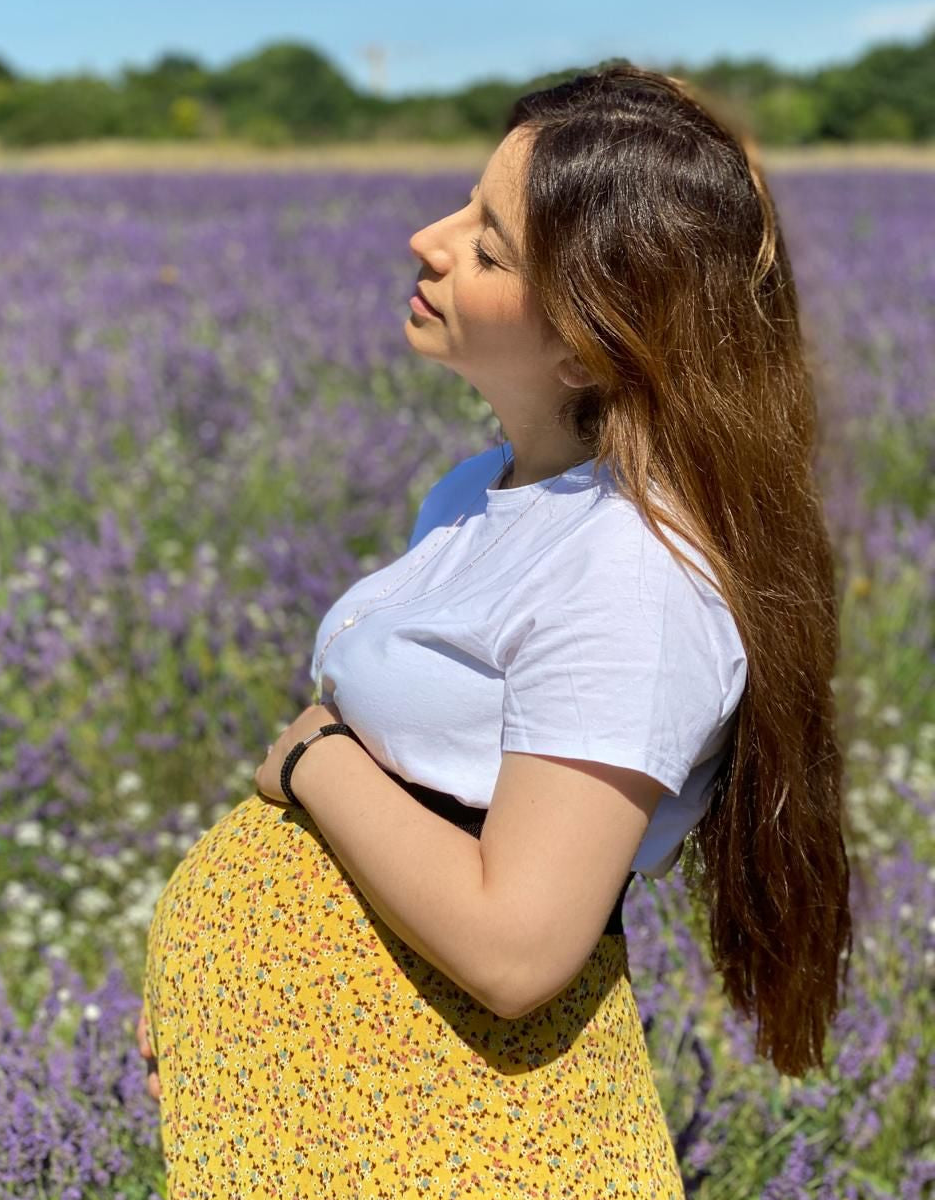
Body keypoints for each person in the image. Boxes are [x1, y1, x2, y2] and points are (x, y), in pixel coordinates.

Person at [137, 63, 853, 1197]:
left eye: (488, 247)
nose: (427, 241)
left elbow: (518, 946)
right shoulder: (481, 490)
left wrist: (314, 760)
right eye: (465, 209)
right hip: (343, 1103)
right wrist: (213, 987)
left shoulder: (635, 574)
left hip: (455, 1131)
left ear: (590, 342)